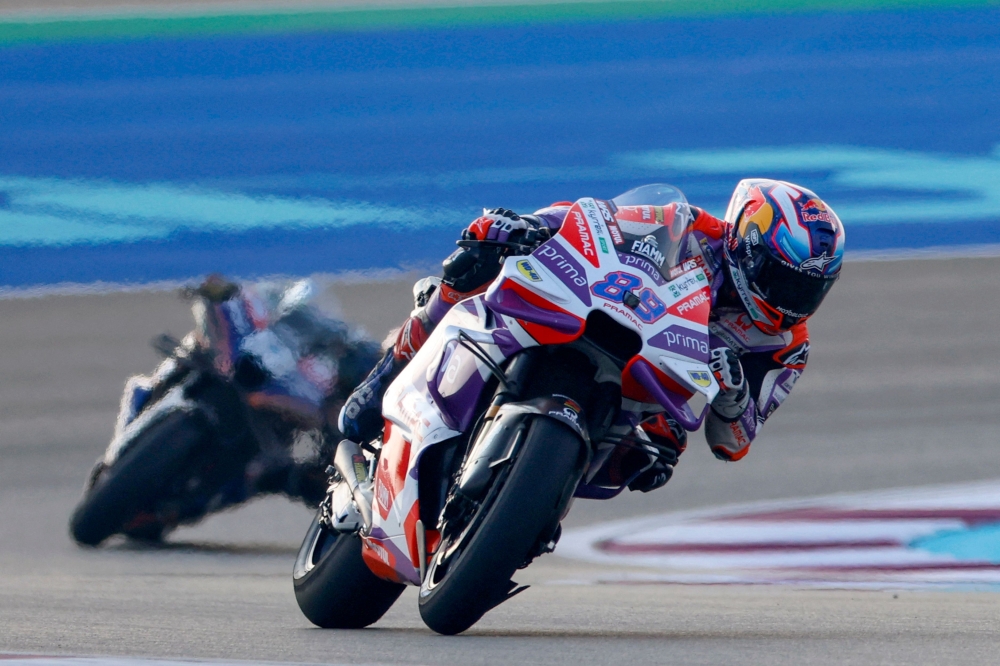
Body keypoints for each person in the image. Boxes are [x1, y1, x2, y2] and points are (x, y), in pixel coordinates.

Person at [339, 179, 844, 493]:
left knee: (657, 454)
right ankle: (385, 376)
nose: (792, 303)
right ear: (747, 245)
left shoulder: (787, 345)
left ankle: (532, 509)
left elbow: (733, 444)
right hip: (603, 316)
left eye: (809, 290)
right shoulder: (691, 228)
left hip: (652, 387)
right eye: (784, 282)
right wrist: (528, 225)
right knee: (473, 264)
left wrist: (733, 398)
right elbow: (592, 219)